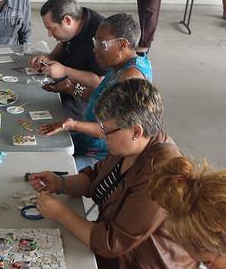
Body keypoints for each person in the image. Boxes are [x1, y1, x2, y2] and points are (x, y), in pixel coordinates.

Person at [29, 79, 197, 269]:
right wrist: (61, 183)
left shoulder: (161, 174)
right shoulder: (133, 146)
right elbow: (96, 175)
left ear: (136, 131)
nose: (102, 136)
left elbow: (110, 243)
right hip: (123, 260)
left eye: (107, 131)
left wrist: (61, 214)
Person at [39, 13, 152, 170]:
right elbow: (103, 98)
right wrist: (71, 88)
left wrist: (73, 124)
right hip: (86, 140)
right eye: (95, 42)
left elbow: (114, 128)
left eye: (102, 44)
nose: (95, 50)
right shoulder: (120, 65)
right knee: (40, 143)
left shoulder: (130, 78)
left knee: (49, 170)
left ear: (122, 45)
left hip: (102, 154)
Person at [28, 0, 106, 121]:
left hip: (89, 96)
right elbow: (64, 43)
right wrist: (50, 57)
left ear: (68, 20)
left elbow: (100, 82)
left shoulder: (99, 35)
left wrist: (65, 71)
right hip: (68, 83)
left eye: (52, 29)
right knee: (31, 93)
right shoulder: (78, 19)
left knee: (49, 117)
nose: (49, 34)